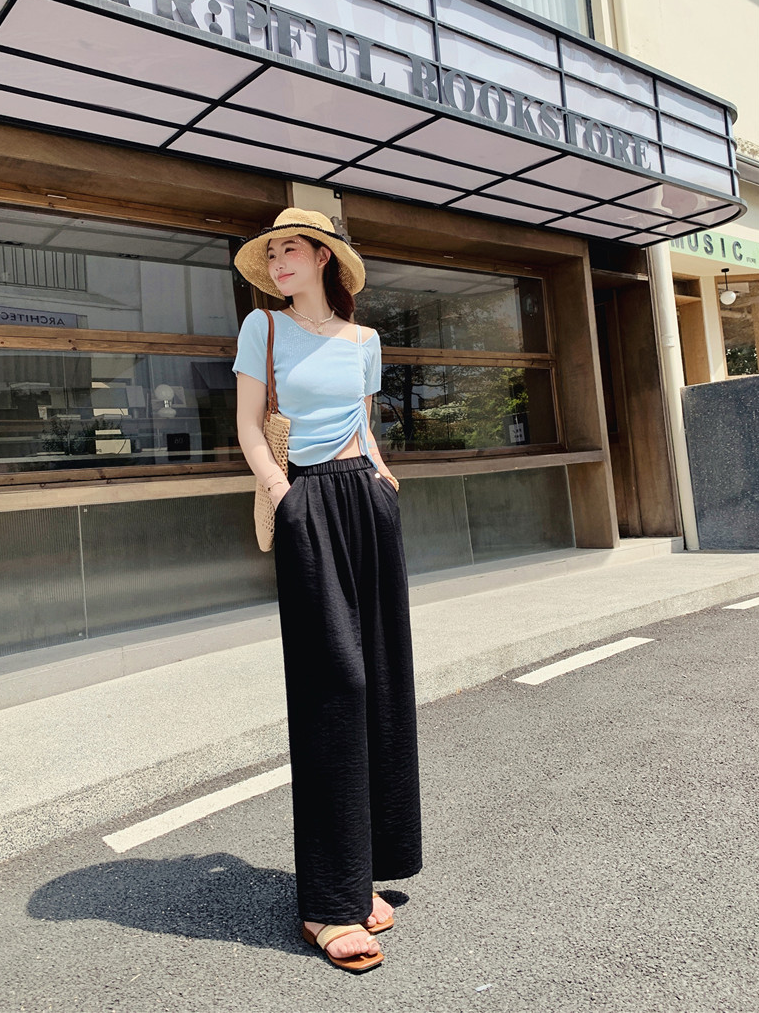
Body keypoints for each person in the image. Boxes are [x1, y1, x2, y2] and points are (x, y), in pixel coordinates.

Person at [232, 209, 422, 973]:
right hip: (306, 500)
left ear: (323, 259)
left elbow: (363, 427)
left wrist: (383, 477)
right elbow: (249, 426)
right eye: (272, 252)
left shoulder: (364, 340)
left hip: (365, 499)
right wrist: (283, 494)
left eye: (292, 249)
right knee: (332, 686)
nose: (279, 261)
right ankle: (326, 905)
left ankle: (361, 874)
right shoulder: (263, 330)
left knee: (381, 681)